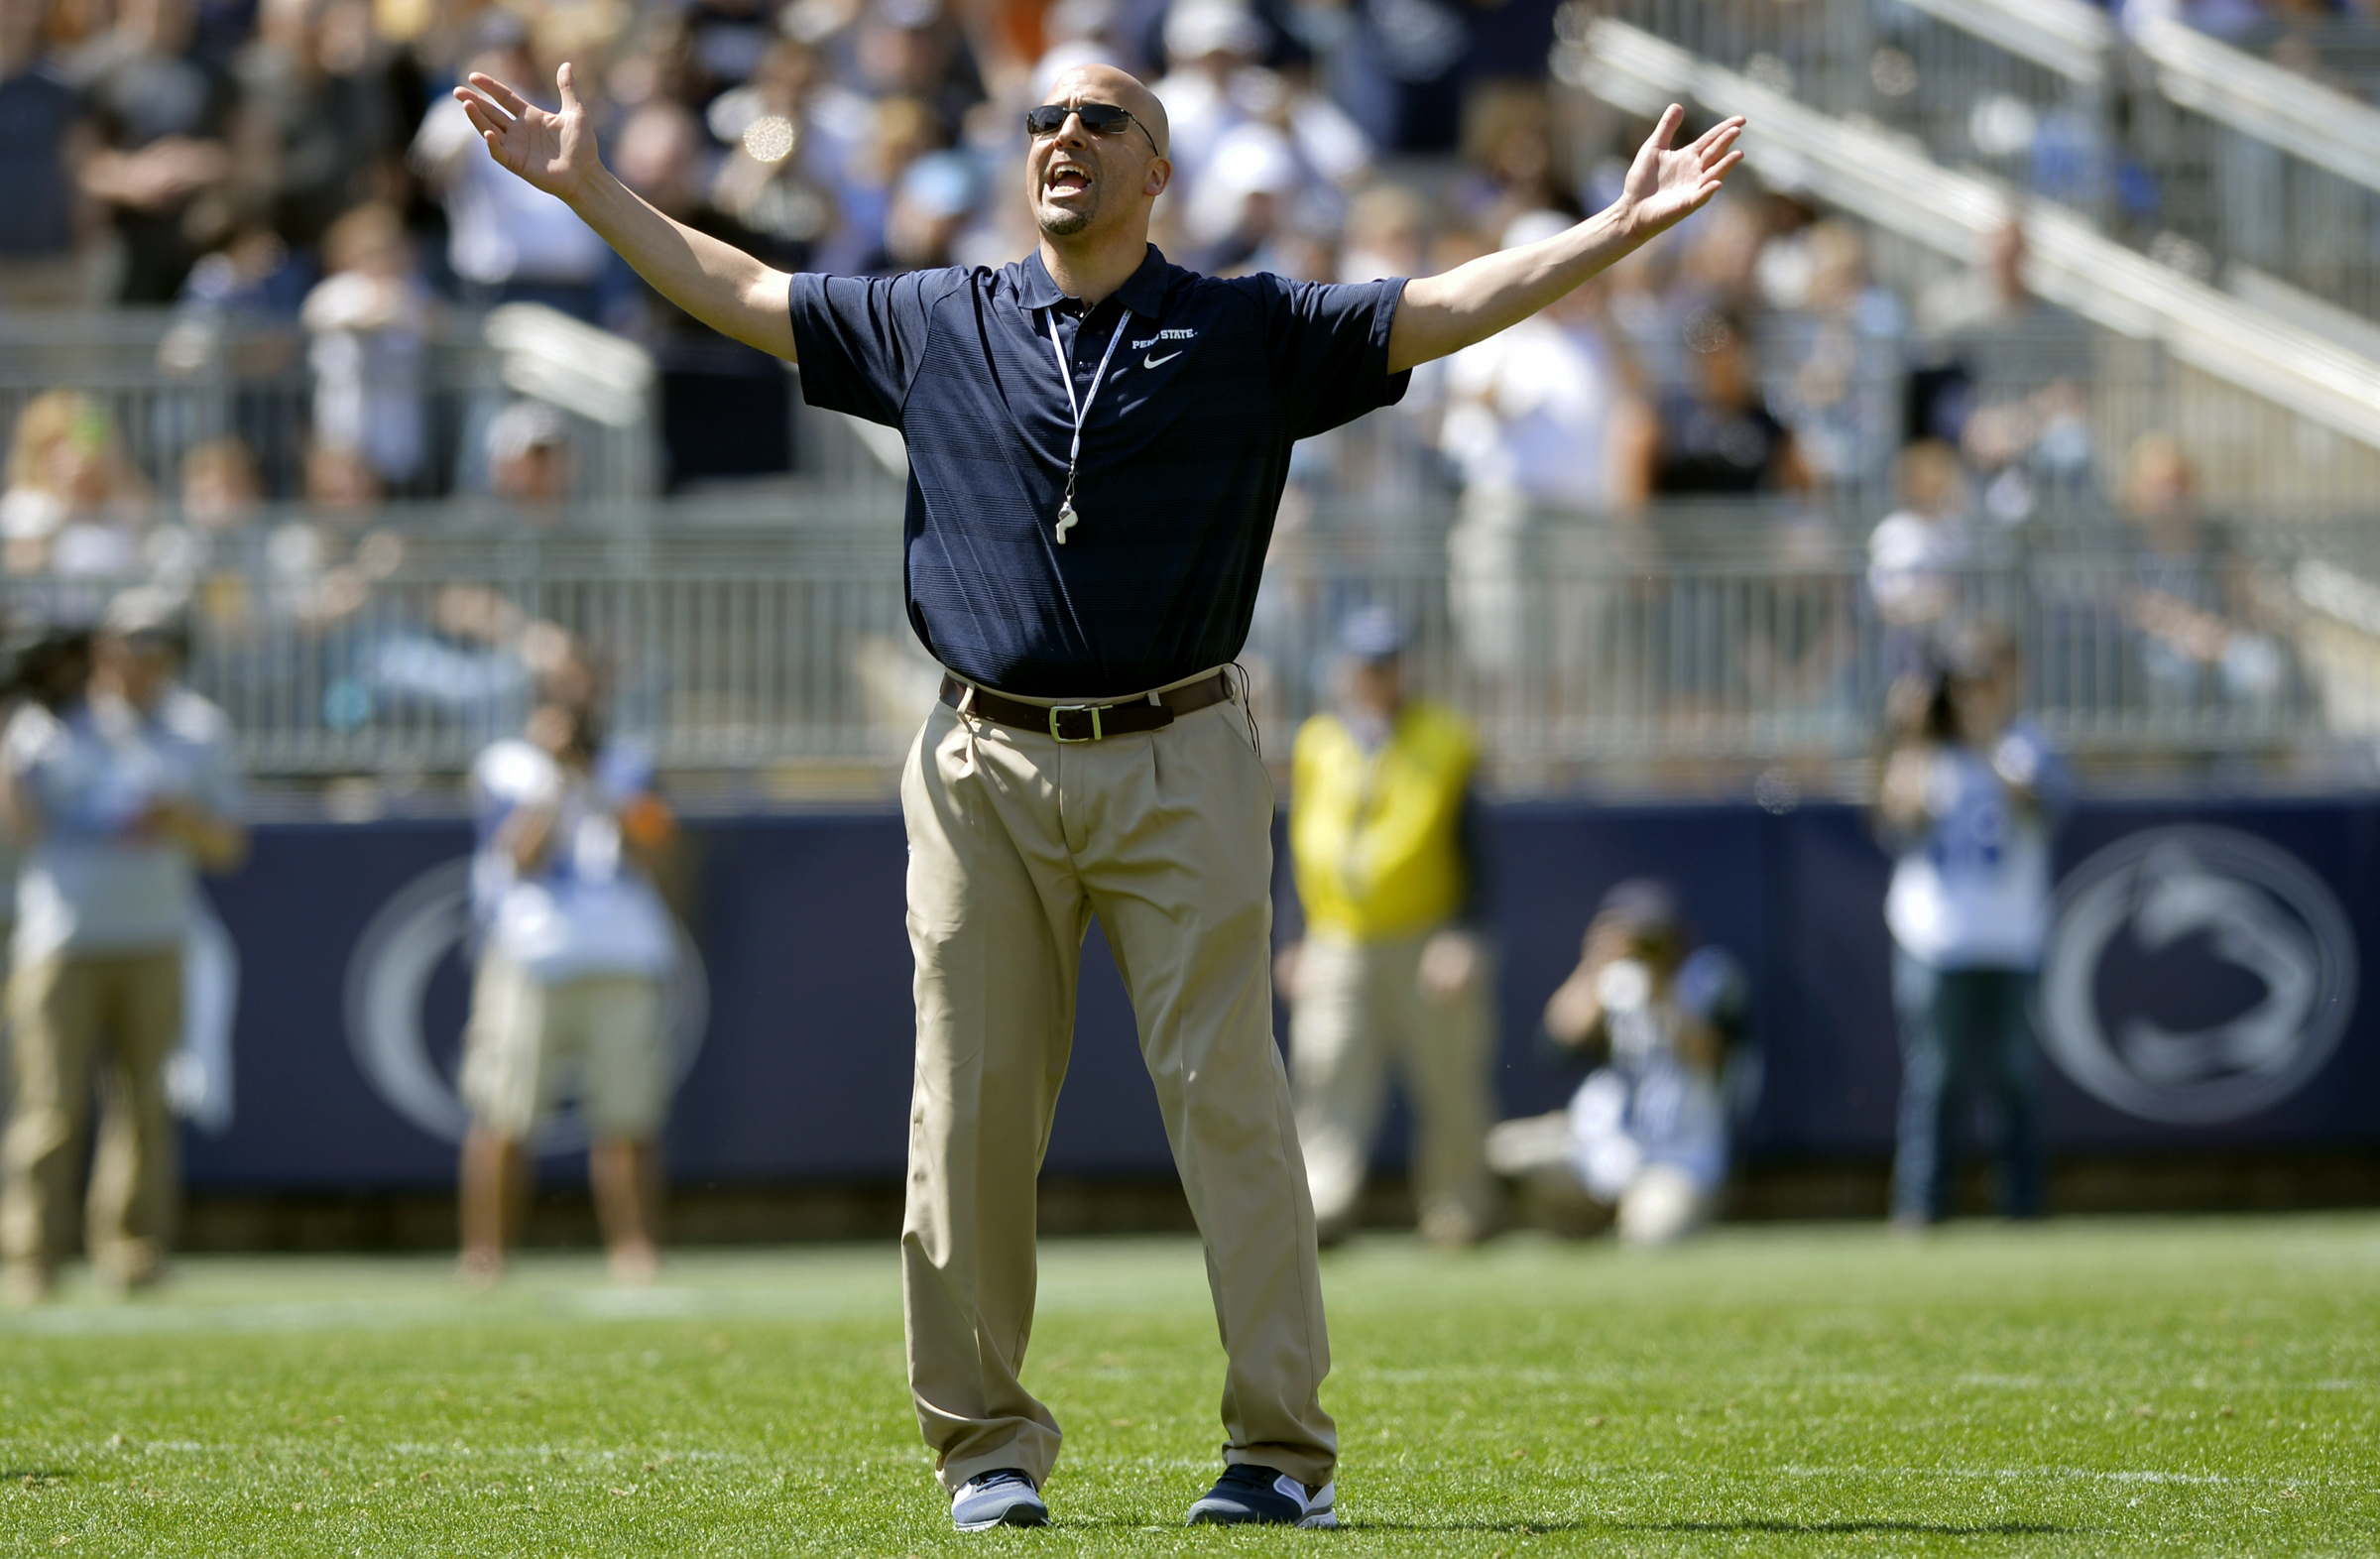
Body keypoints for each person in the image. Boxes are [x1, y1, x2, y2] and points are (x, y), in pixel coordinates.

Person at [447, 50, 1743, 1529]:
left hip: (1183, 749)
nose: (1062, 136)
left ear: (1156, 170)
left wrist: (1616, 232)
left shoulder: (1245, 325)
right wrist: (592, 188)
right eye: (1043, 119)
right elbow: (741, 293)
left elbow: (1437, 310)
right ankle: (985, 1449)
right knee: (969, 1113)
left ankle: (1277, 1455)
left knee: (1233, 1105)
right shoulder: (941, 316)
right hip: (980, 760)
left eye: (1098, 120)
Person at [0, 593, 245, 1305]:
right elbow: (19, 831)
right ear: (104, 651)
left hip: (155, 935)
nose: (139, 664)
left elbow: (229, 845)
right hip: (61, 936)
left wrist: (180, 819)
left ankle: (132, 1247)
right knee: (48, 1103)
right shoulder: (48, 722)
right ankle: (28, 1252)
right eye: (129, 648)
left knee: (144, 1102)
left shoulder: (199, 731)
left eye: (155, 651)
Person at [1279, 606, 1492, 1250]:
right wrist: (1293, 937)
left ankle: (1461, 1210)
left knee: (1449, 1078)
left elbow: (1478, 847)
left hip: (1426, 933)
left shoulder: (1446, 737)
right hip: (1338, 936)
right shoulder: (1319, 741)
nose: (1376, 675)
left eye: (1387, 662)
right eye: (1366, 663)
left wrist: (1465, 933)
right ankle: (1322, 1206)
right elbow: (1300, 847)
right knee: (1327, 1071)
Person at [456, 696, 679, 1287]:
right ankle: (486, 1254)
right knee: (504, 1109)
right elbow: (517, 856)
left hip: (621, 952)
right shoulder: (505, 765)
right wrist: (557, 783)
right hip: (533, 953)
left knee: (627, 1112)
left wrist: (597, 784)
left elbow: (655, 846)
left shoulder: (628, 765)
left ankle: (634, 1250)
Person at [1876, 622, 2070, 1229]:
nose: (1974, 695)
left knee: (2014, 1072)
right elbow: (1895, 816)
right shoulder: (1924, 754)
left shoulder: (2025, 744)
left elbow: (2045, 805)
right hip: (1935, 936)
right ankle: (1921, 1204)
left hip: (2012, 935)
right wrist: (1909, 732)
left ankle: (2022, 1202)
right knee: (1937, 1075)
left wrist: (1987, 742)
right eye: (1963, 684)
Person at [1486, 878, 1749, 1247]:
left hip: (1679, 1159)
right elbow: (1556, 1045)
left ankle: (1631, 1220)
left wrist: (1663, 992)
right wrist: (1595, 964)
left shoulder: (1708, 978)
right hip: (1605, 1148)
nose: (1642, 949)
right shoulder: (1613, 981)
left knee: (1651, 1235)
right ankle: (1582, 1226)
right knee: (1500, 1153)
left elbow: (1712, 1059)